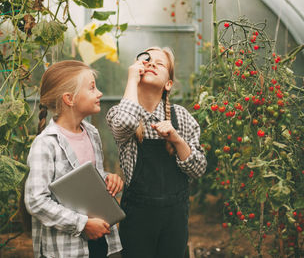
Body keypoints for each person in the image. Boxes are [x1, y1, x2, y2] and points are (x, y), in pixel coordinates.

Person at [106, 47, 207, 258]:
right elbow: (126, 121)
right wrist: (132, 79)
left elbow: (199, 169)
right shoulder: (119, 113)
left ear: (168, 84)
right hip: (137, 219)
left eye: (159, 63)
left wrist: (177, 140)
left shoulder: (181, 117)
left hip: (175, 219)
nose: (151, 63)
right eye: (146, 60)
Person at [24, 60, 123, 258]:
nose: (99, 93)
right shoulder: (46, 144)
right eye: (92, 88)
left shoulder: (92, 133)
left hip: (99, 240)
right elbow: (35, 201)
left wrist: (108, 179)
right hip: (65, 249)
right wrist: (82, 224)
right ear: (69, 99)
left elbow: (86, 181)